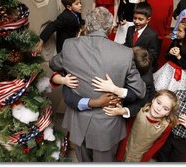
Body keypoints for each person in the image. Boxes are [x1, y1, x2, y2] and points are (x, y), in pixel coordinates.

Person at [49, 7, 146, 162]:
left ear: (87, 25)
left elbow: (53, 64)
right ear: (109, 28)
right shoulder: (125, 53)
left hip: (78, 120)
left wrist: (66, 76)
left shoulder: (69, 45)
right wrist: (117, 90)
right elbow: (140, 91)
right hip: (106, 124)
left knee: (83, 160)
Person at [119, 90, 178, 162]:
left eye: (165, 109)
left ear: (168, 113)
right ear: (153, 99)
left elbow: (159, 143)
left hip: (140, 157)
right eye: (158, 103)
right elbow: (127, 129)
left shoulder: (166, 126)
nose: (159, 109)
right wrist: (121, 152)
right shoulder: (139, 111)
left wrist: (145, 159)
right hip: (126, 149)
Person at [153, 18, 186, 91]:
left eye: (179, 31)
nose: (176, 32)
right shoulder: (175, 42)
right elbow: (166, 57)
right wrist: (169, 53)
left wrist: (178, 56)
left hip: (180, 74)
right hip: (168, 70)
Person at [124, 1, 159, 72]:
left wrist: (140, 60)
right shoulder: (130, 29)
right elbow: (127, 44)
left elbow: (153, 55)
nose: (136, 21)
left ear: (148, 20)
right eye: (135, 18)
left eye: (140, 19)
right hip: (128, 63)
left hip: (141, 67)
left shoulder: (152, 35)